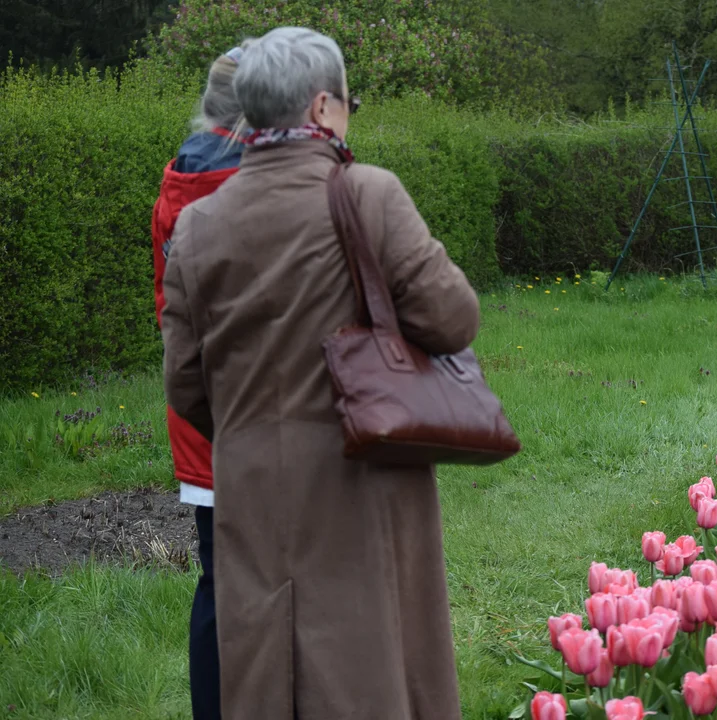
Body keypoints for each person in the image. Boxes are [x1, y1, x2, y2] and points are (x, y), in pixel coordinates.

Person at [159, 26, 479, 720]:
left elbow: (185, 383)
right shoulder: (369, 195)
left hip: (249, 482)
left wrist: (252, 425)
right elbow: (453, 320)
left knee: (267, 669)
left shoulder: (199, 225)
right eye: (346, 102)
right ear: (320, 108)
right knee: (369, 666)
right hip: (363, 473)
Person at [150, 42, 249, 720]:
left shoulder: (176, 183)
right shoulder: (263, 187)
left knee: (218, 584)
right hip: (270, 415)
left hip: (197, 414)